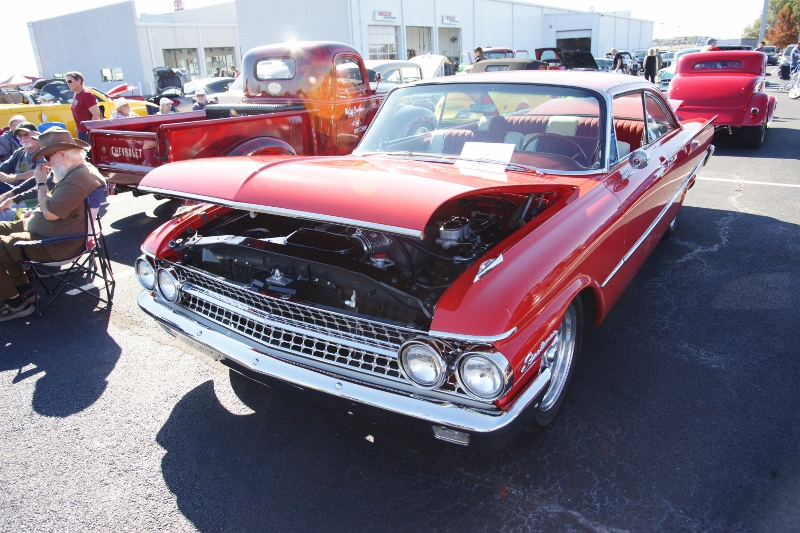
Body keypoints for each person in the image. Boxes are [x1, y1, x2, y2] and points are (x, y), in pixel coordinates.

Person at [0, 127, 105, 321]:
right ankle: (24, 290)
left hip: (58, 244)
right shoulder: (74, 171)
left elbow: (50, 214)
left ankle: (15, 302)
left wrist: (40, 183)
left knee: (1, 245)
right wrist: (34, 207)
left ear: (63, 154)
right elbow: (54, 203)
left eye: (48, 156)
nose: (46, 162)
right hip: (50, 231)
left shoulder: (79, 179)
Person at [0, 122, 46, 196]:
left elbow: (40, 171)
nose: (23, 138)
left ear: (37, 135)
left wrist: (13, 178)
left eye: (26, 134)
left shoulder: (44, 151)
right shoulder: (19, 152)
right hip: (13, 189)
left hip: (31, 192)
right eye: (19, 135)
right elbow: (3, 168)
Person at [64, 71, 102, 143]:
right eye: (66, 82)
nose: (68, 83)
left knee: (89, 150)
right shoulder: (76, 94)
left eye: (70, 81)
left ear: (79, 80)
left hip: (88, 132)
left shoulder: (86, 94)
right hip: (82, 131)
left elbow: (96, 114)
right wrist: (78, 127)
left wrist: (91, 132)